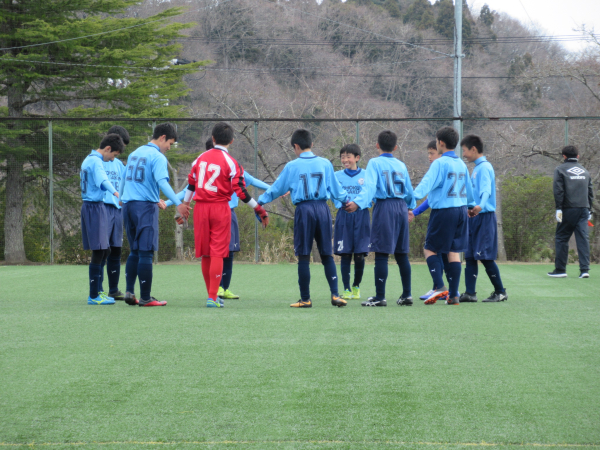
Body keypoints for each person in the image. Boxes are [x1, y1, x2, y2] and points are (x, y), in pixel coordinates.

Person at [164, 138, 271, 300]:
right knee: (219, 253)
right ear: (232, 140)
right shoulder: (231, 162)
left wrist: (184, 207)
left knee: (207, 254)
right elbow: (241, 190)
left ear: (213, 139)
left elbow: (190, 186)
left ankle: (213, 294)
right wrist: (259, 208)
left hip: (200, 208)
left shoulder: (199, 160)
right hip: (221, 208)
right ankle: (213, 296)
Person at [258, 128, 349, 308]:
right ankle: (335, 295)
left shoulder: (292, 166)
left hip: (304, 210)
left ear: (296, 146)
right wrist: (347, 201)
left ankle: (306, 299)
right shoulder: (324, 163)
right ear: (312, 145)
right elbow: (337, 190)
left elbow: (277, 188)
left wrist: (260, 202)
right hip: (323, 209)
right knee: (326, 254)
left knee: (304, 256)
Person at [119, 123, 191, 307]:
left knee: (134, 250)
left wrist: (122, 198)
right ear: (162, 138)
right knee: (146, 253)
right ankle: (145, 297)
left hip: (128, 205)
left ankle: (129, 292)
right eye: (170, 143)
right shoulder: (157, 157)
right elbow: (162, 182)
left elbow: (125, 179)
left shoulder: (134, 153)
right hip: (145, 208)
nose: (169, 147)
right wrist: (178, 204)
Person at [345, 130, 416, 307]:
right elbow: (408, 191)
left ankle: (380, 297)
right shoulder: (401, 165)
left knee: (382, 253)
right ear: (395, 147)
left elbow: (369, 188)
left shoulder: (374, 162)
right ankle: (407, 295)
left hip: (385, 207)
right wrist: (410, 208)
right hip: (401, 206)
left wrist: (357, 203)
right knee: (402, 254)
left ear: (377, 145)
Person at [413, 126, 475, 306]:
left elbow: (425, 185)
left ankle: (440, 286)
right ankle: (454, 295)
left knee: (429, 248)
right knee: (453, 252)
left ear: (440, 143)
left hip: (444, 212)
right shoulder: (461, 164)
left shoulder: (439, 163)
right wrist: (470, 207)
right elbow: (469, 190)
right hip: (461, 210)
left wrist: (411, 200)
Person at [461, 134, 507, 302]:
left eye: (465, 150)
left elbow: (487, 190)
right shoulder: (476, 168)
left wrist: (480, 205)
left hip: (485, 217)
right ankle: (470, 293)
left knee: (485, 256)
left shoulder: (485, 167)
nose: (464, 154)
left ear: (473, 149)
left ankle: (500, 292)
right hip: (474, 217)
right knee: (470, 255)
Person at [80, 134, 124, 305]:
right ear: (107, 149)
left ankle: (98, 291)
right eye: (113, 155)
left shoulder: (89, 159)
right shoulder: (96, 161)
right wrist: (115, 192)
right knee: (99, 251)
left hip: (95, 206)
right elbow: (102, 180)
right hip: (94, 207)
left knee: (105, 250)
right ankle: (93, 295)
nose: (113, 158)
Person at [409, 140, 452, 301]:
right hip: (454, 213)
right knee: (443, 252)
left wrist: (410, 204)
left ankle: (441, 288)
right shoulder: (451, 166)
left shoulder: (439, 167)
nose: (429, 156)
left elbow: (426, 195)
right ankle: (442, 289)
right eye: (428, 153)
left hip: (443, 214)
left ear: (441, 152)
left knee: (433, 249)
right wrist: (415, 212)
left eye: (431, 153)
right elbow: (431, 198)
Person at [548, 145, 594, 278]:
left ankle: (560, 270)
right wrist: (589, 209)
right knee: (583, 239)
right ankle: (584, 270)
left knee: (562, 238)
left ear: (564, 156)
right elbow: (590, 191)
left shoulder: (560, 170)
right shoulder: (585, 171)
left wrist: (558, 208)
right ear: (578, 156)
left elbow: (558, 191)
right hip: (584, 209)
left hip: (568, 209)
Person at [333, 144, 370, 300]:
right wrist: (341, 204)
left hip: (361, 216)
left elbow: (371, 194)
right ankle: (347, 289)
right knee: (345, 254)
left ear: (357, 158)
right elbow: (332, 193)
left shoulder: (367, 175)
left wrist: (359, 204)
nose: (345, 159)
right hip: (344, 215)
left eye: (348, 156)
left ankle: (356, 286)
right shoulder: (336, 175)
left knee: (360, 254)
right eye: (342, 156)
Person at [98, 125, 130, 302]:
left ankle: (113, 289)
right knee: (103, 250)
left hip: (117, 210)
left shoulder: (119, 164)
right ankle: (99, 289)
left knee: (116, 249)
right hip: (102, 208)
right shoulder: (97, 161)